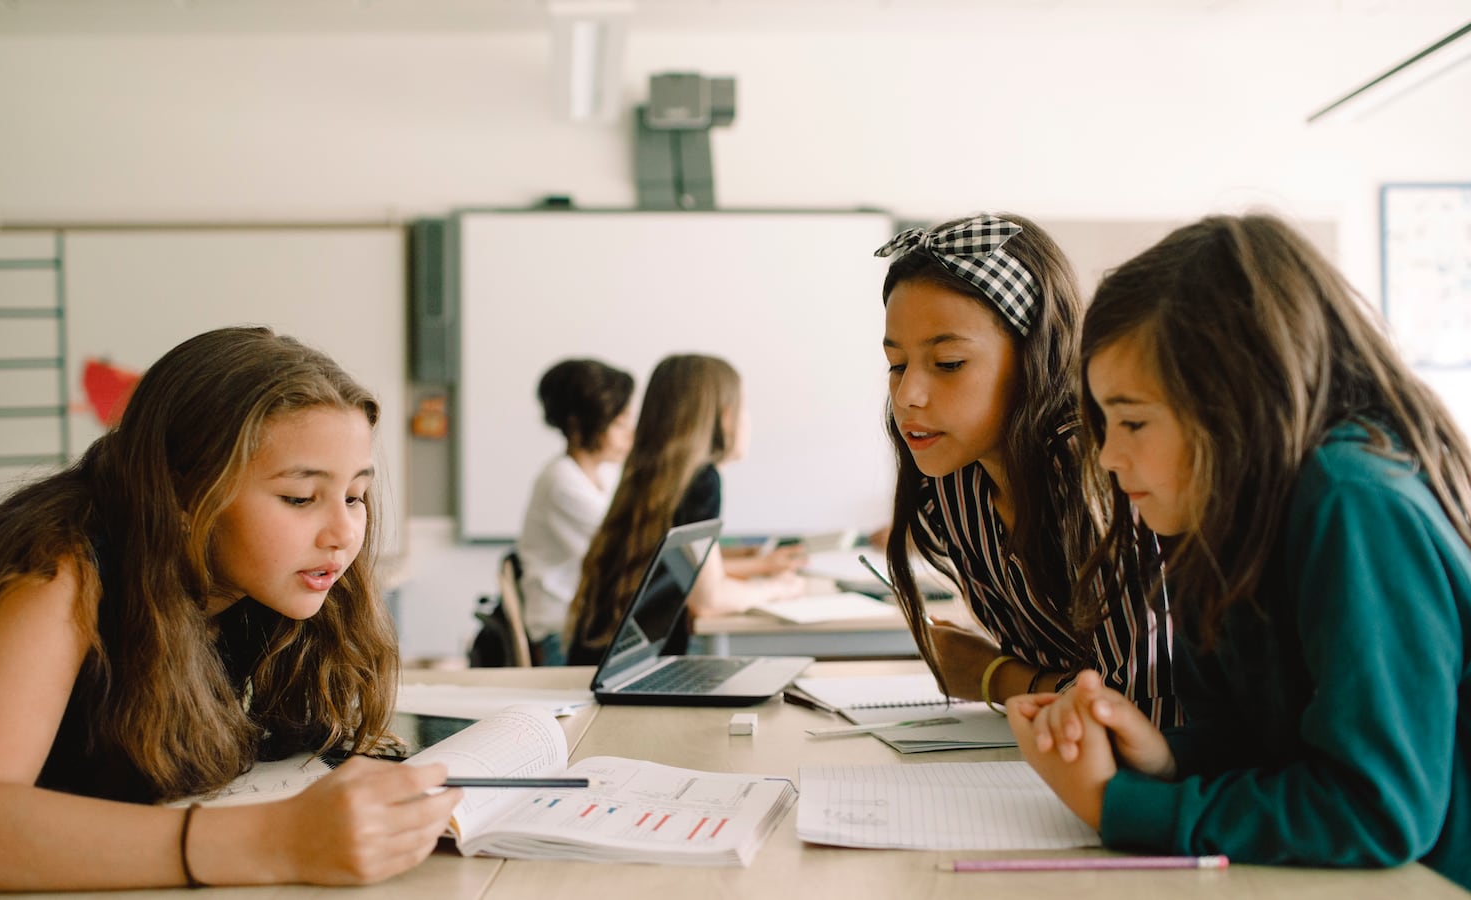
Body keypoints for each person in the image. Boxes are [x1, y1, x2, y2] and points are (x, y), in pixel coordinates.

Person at [0, 326, 461, 891]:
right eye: (299, 497)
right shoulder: (60, 572)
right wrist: (277, 839)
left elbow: (106, 746)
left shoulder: (254, 584)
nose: (342, 532)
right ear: (181, 494)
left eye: (355, 495)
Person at [1010, 214, 1470, 888]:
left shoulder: (1352, 502)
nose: (1108, 456)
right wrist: (1164, 760)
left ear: (1236, 404)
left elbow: (1378, 811)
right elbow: (1268, 747)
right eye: (1105, 425)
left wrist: (1121, 808)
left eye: (1133, 421)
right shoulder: (1224, 518)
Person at [876, 213, 1179, 723]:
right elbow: (1073, 682)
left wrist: (992, 676)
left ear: (1035, 357)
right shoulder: (950, 485)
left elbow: (1143, 710)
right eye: (896, 364)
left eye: (948, 363)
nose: (908, 395)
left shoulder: (1094, 467)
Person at [566, 354, 809, 666]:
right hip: (635, 679)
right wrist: (776, 588)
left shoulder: (647, 477)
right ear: (724, 417)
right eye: (744, 407)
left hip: (600, 665)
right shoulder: (701, 481)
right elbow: (708, 600)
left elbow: (699, 578)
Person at [516, 358, 635, 665]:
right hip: (564, 636)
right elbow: (631, 553)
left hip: (588, 627)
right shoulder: (562, 482)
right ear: (582, 423)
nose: (630, 434)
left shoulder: (603, 475)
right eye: (620, 423)